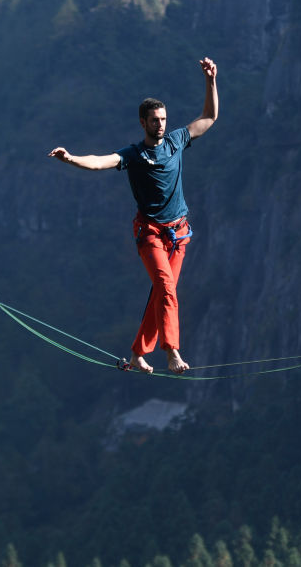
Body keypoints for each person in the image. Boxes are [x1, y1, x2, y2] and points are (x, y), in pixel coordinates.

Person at [48, 57, 219, 374]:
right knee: (167, 288)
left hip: (178, 234)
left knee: (162, 292)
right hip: (151, 234)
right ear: (143, 122)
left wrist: (211, 80)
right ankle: (172, 353)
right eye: (155, 120)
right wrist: (70, 159)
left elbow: (209, 117)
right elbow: (100, 162)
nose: (161, 124)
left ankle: (139, 354)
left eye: (164, 119)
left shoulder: (176, 141)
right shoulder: (134, 154)